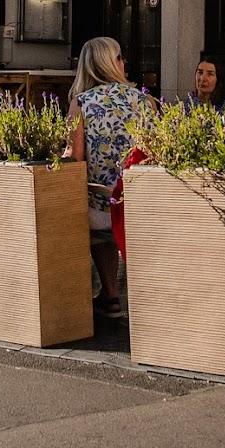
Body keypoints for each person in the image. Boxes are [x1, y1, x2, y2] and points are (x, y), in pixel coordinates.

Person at [66, 37, 153, 320]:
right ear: (111, 63)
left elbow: (74, 158)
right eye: (120, 57)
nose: (124, 62)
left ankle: (111, 293)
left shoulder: (81, 103)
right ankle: (145, 299)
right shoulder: (146, 100)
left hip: (101, 202)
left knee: (89, 216)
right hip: (138, 202)